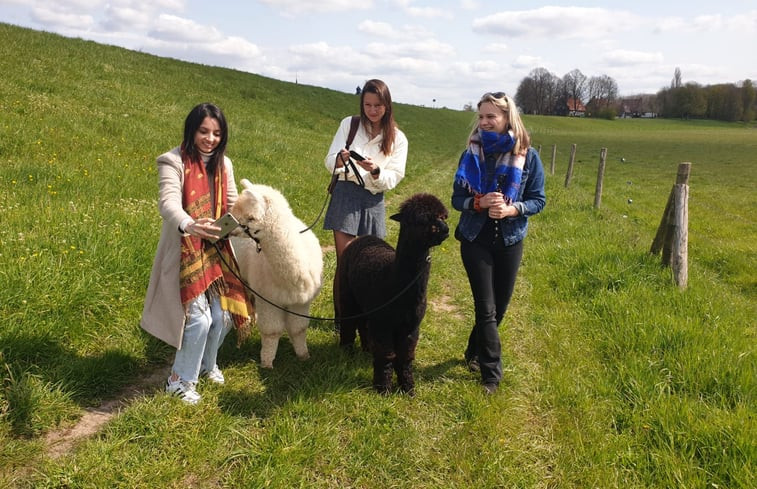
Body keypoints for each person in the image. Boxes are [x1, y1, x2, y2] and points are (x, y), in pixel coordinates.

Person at [141, 102, 254, 404]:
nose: (210, 139)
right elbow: (167, 204)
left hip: (216, 251)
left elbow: (231, 204)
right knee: (199, 320)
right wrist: (190, 225)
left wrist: (246, 225)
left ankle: (208, 365)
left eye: (216, 133)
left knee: (224, 316)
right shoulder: (172, 161)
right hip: (184, 251)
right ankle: (179, 382)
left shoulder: (224, 164)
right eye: (203, 131)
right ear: (191, 130)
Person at [451, 92, 546, 394]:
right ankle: (491, 375)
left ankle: (473, 350)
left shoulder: (528, 156)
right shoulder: (471, 153)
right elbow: (456, 199)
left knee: (499, 309)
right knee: (486, 308)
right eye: (481, 117)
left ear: (507, 118)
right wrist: (476, 202)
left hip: (510, 239)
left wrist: (513, 208)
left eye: (491, 116)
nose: (484, 123)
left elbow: (538, 200)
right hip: (475, 238)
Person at [324, 79, 408, 321]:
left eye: (378, 105)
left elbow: (394, 177)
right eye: (368, 105)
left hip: (373, 199)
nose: (372, 110)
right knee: (346, 262)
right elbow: (329, 161)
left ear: (387, 106)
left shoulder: (398, 138)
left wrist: (376, 171)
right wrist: (340, 160)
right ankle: (343, 321)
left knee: (371, 264)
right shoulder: (349, 125)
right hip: (346, 193)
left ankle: (367, 318)